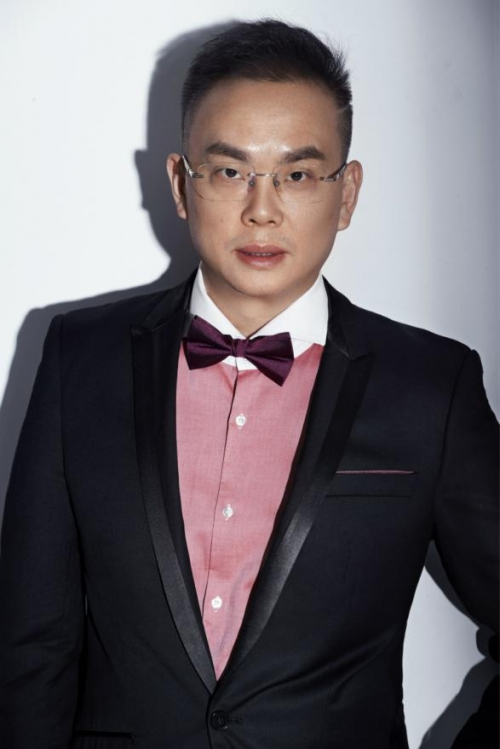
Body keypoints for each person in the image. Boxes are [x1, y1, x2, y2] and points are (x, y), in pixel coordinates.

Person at [0, 18, 498, 749]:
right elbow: (28, 647)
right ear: (182, 184)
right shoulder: (79, 358)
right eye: (231, 171)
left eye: (297, 174)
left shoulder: (432, 386)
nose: (262, 209)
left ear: (347, 193)